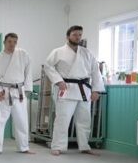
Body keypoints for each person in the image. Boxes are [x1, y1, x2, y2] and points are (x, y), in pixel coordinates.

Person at [44, 25, 105, 156]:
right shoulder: (58, 51)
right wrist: (59, 81)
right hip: (67, 88)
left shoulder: (87, 53)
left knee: (84, 119)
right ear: (68, 36)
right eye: (75, 35)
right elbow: (48, 66)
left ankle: (84, 146)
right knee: (63, 119)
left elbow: (96, 71)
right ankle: (57, 146)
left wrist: (96, 90)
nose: (77, 37)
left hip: (84, 90)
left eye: (79, 35)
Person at [0, 33, 34, 155]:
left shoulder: (23, 54)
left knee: (22, 121)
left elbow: (28, 72)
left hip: (19, 92)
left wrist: (27, 89)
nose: (12, 44)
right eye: (9, 41)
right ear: (4, 42)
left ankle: (24, 147)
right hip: (3, 92)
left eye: (15, 42)